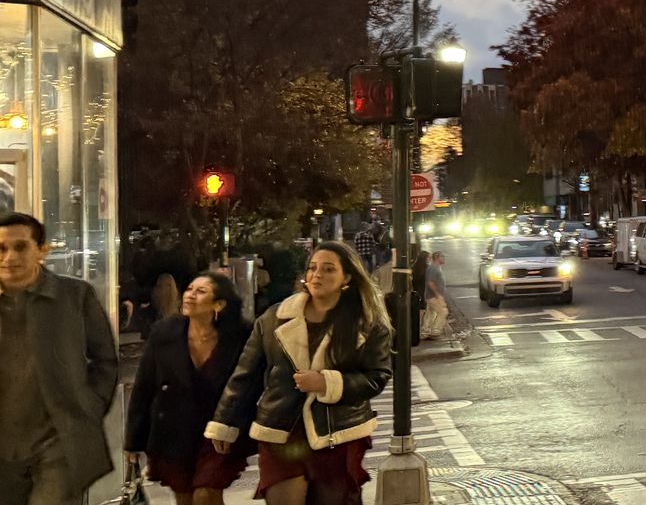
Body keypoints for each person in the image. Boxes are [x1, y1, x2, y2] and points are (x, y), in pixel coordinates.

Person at [208, 240, 394, 503]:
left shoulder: (367, 324)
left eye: (328, 269)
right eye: (313, 268)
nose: (317, 274)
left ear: (347, 278)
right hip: (282, 431)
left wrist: (327, 383)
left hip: (337, 434)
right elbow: (245, 375)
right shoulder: (274, 318)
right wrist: (224, 422)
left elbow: (376, 377)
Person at [0, 212, 119, 505]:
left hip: (59, 442)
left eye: (20, 247)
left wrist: (89, 407)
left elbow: (104, 359)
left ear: (41, 251)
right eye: (1, 249)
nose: (9, 257)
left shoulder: (74, 296)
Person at [125, 272, 253, 503]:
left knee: (206, 495)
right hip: (175, 433)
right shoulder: (165, 333)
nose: (190, 295)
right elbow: (144, 386)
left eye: (201, 291)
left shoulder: (240, 337)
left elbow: (250, 385)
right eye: (190, 289)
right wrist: (133, 441)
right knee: (184, 499)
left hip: (218, 432)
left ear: (219, 304)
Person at [421, 252, 449, 341]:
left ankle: (425, 331)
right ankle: (435, 331)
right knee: (443, 312)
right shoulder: (433, 268)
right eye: (442, 257)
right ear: (437, 257)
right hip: (433, 296)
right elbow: (430, 283)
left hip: (431, 296)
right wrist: (438, 295)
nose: (444, 258)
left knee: (430, 314)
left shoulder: (435, 268)